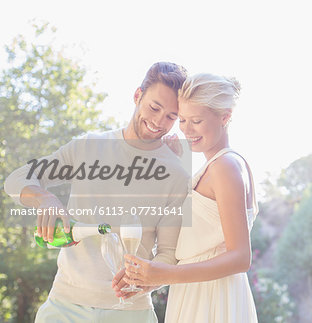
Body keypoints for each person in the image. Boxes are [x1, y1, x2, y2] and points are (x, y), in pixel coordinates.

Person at [4, 62, 189, 322]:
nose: (159, 121)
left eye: (171, 116)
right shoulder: (89, 147)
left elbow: (168, 254)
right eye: (154, 107)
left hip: (130, 311)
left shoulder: (177, 175)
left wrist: (149, 280)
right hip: (65, 306)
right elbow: (16, 179)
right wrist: (46, 199)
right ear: (137, 96)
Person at [114, 73, 259, 323]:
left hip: (212, 296)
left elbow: (240, 257)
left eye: (196, 121)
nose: (187, 129)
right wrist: (152, 278)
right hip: (197, 290)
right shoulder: (212, 167)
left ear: (225, 117)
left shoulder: (225, 165)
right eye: (182, 120)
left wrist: (167, 274)